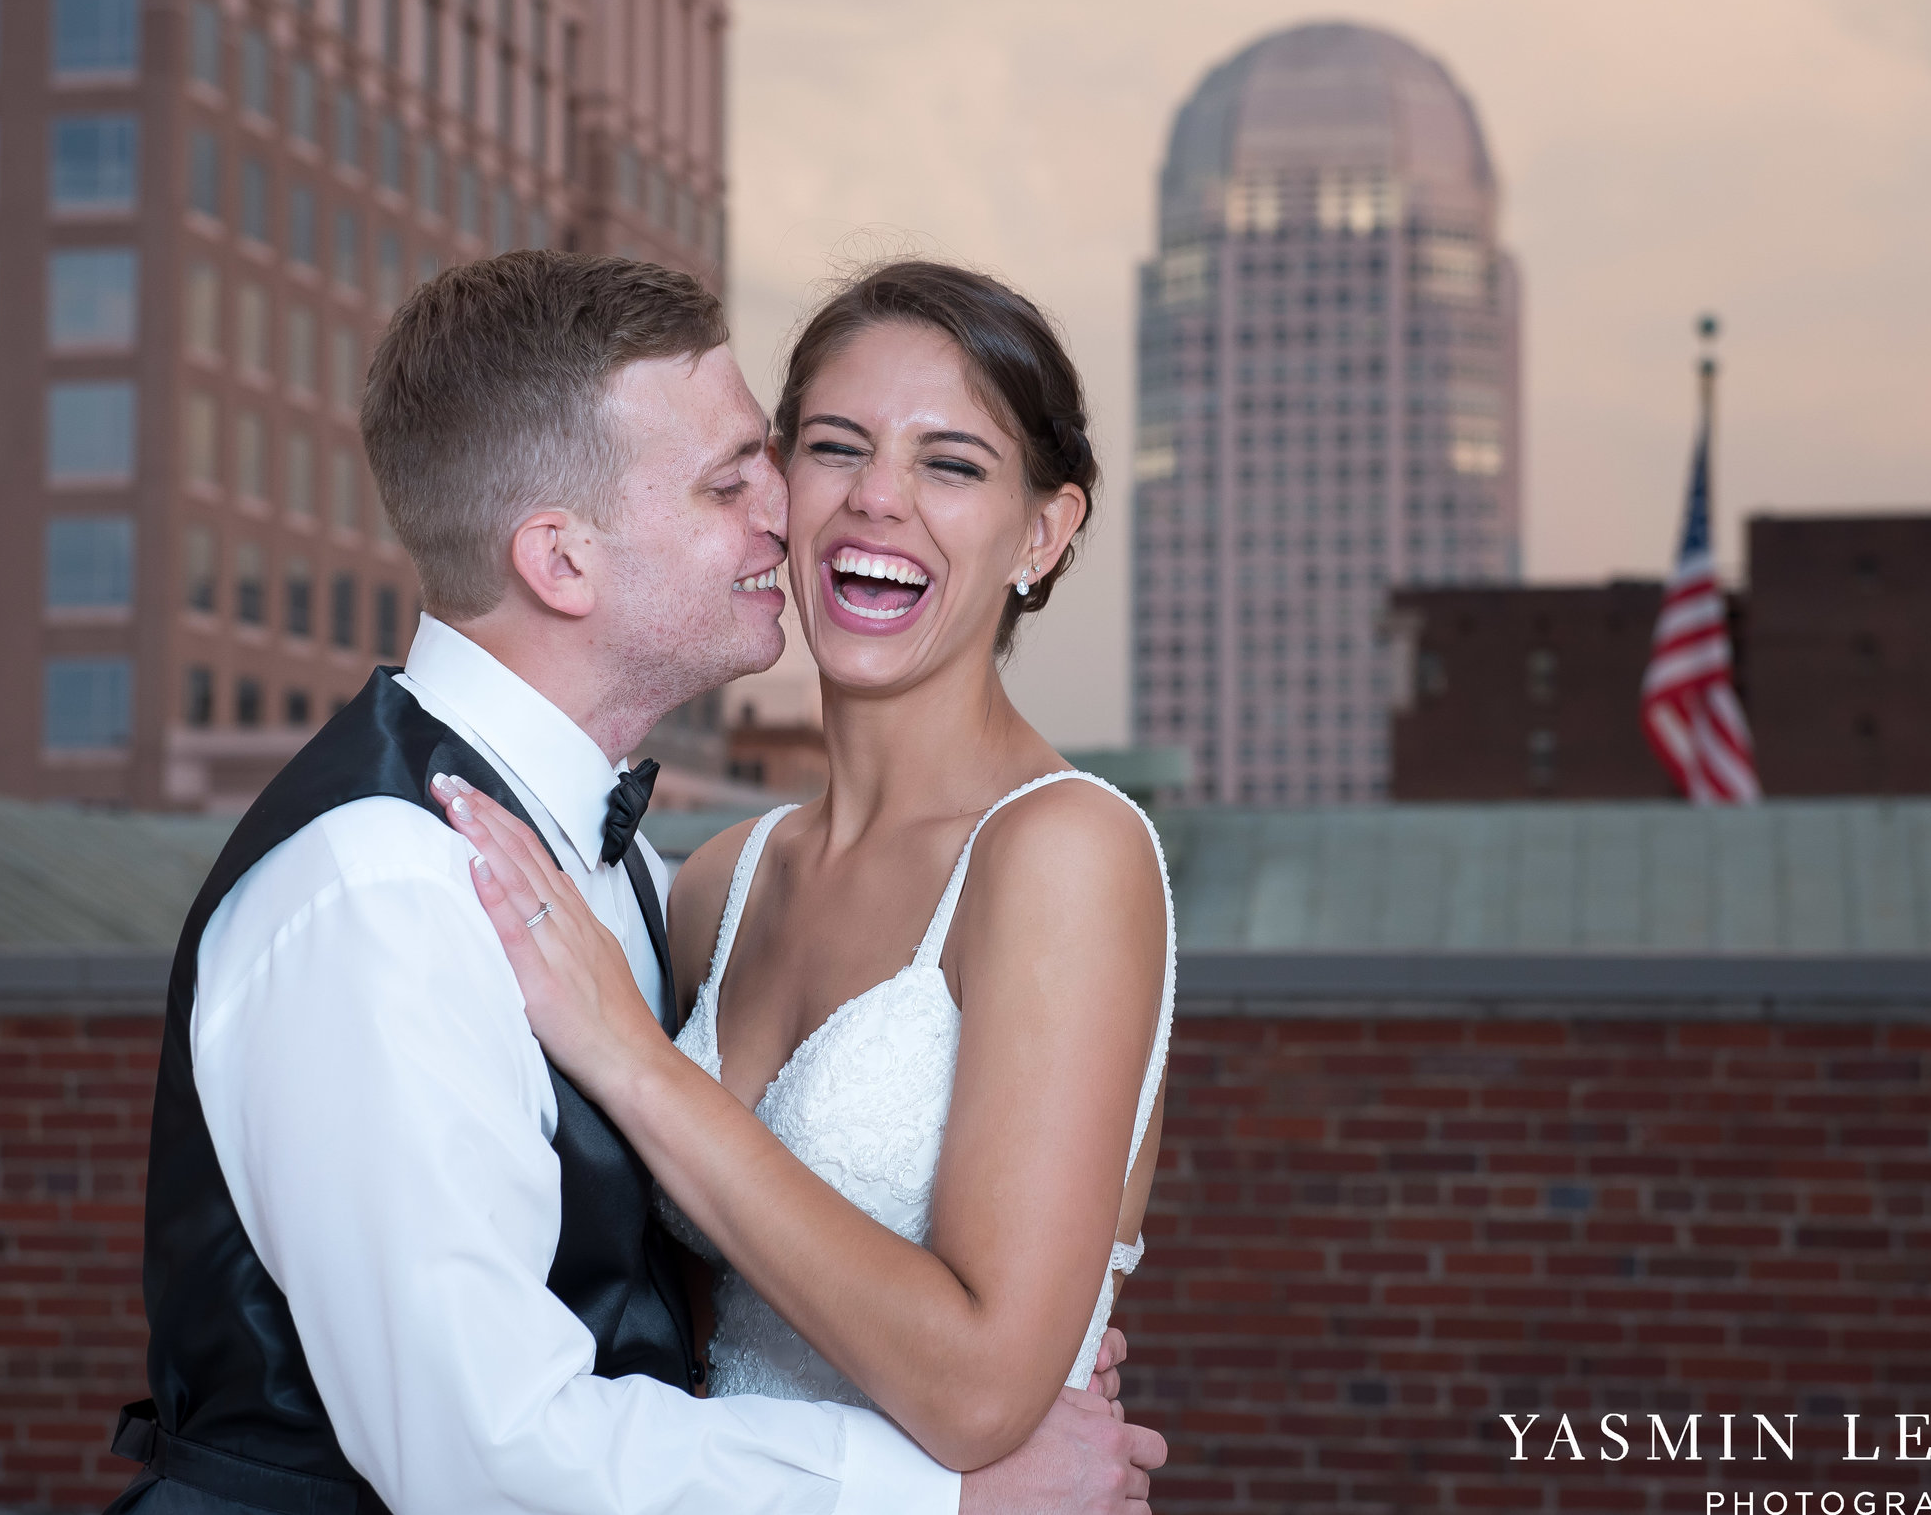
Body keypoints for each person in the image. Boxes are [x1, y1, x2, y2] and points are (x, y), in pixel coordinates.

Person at [106, 253, 1164, 1514]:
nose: (803, 511)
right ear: (560, 561)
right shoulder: (420, 886)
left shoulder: (623, 876)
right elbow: (480, 1448)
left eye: (949, 461)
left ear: (1045, 530)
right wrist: (937, 1485)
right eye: (774, 464)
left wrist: (1005, 1374)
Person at [435, 260, 1176, 1479]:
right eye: (836, 447)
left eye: (950, 463)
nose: (879, 498)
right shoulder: (720, 885)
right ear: (776, 488)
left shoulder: (1063, 853)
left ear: (1043, 531)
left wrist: (629, 1055)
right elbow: (660, 1319)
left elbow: (982, 1392)